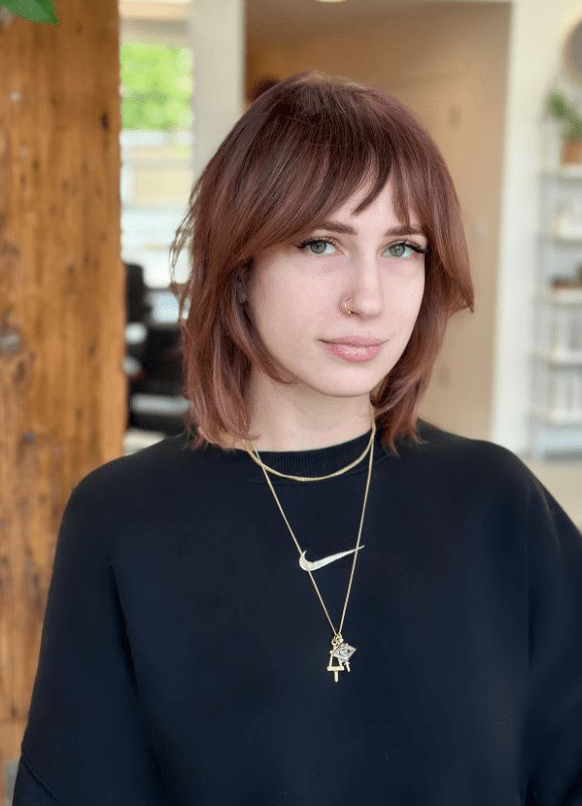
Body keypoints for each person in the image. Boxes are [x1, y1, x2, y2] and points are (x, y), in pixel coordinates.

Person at [13, 70, 582, 805]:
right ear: (240, 266)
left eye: (402, 247)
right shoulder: (122, 519)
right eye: (321, 243)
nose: (368, 297)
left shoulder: (497, 502)